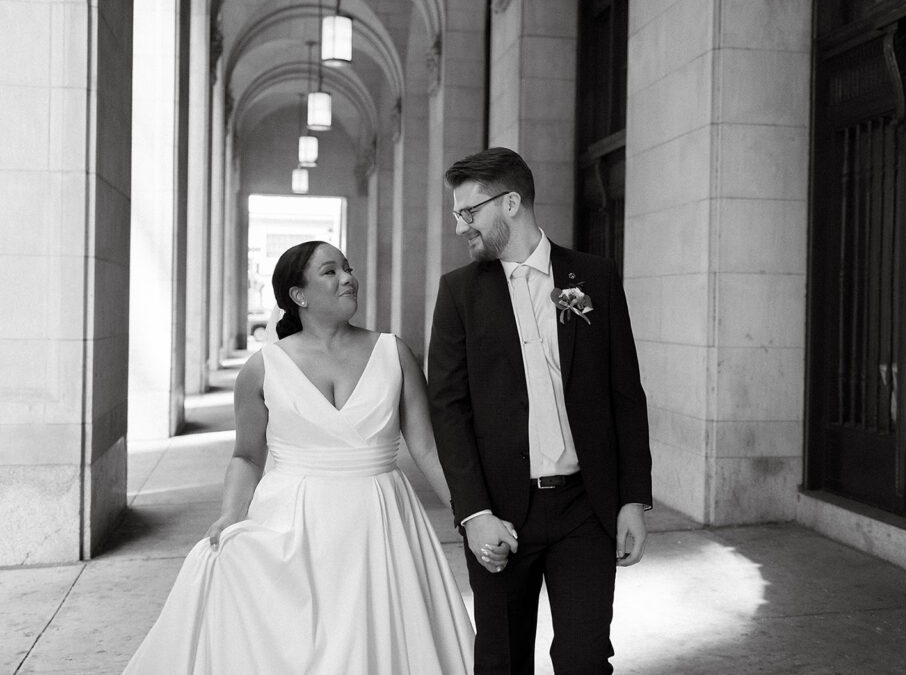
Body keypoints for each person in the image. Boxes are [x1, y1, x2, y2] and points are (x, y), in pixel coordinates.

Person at [125, 241, 475, 674]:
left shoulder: (394, 352)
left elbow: (425, 446)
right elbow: (248, 456)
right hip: (294, 522)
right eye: (331, 272)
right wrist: (230, 514)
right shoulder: (262, 367)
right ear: (299, 295)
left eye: (347, 268)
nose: (348, 278)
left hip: (382, 521)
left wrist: (469, 514)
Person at [428, 147, 653, 674]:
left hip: (586, 509)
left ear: (510, 204)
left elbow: (625, 394)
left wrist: (633, 499)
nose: (461, 226)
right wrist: (474, 514)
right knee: (502, 661)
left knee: (585, 660)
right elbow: (448, 410)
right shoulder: (458, 293)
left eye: (469, 212)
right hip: (502, 513)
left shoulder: (592, 277)